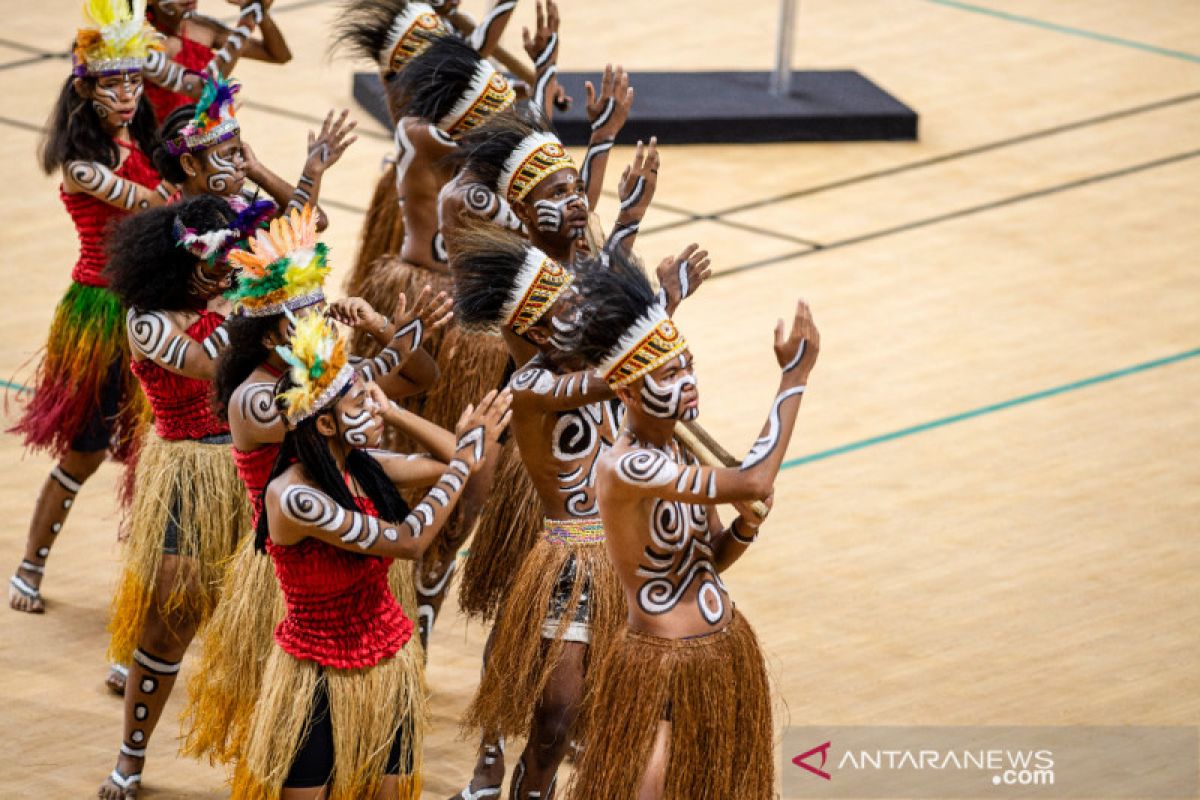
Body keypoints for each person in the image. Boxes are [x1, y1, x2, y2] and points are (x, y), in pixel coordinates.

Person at [180, 205, 453, 766]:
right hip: (296, 568)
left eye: (320, 312)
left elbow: (423, 378)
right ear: (273, 332)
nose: (323, 325)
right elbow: (339, 399)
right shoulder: (258, 400)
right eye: (307, 317)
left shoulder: (324, 376)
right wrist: (378, 358)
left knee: (359, 740)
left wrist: (379, 326)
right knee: (294, 725)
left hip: (355, 536)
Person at [449, 229, 709, 799]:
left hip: (629, 558)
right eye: (567, 309)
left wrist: (664, 306)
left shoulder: (600, 364)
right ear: (536, 329)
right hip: (572, 566)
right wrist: (662, 305)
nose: (582, 314)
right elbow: (619, 374)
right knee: (554, 722)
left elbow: (629, 370)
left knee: (622, 715)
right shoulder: (533, 384)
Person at [229, 311, 512, 799]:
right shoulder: (294, 497)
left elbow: (453, 456)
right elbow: (408, 540)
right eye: (361, 403)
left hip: (387, 660)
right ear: (325, 422)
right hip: (315, 675)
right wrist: (464, 461)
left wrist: (396, 412)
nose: (374, 411)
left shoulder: (363, 466)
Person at [565, 260, 820, 799]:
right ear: (628, 393)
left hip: (719, 653)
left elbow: (706, 560)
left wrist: (744, 532)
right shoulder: (627, 467)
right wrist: (794, 378)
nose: (687, 384)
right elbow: (754, 477)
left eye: (688, 367)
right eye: (669, 374)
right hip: (662, 667)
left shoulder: (678, 450)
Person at [9, 0, 171, 627]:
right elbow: (155, 205)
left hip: (154, 316)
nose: (129, 93)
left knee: (154, 461)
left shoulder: (151, 143)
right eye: (114, 82)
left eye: (135, 80)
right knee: (84, 450)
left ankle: (146, 597)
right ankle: (31, 562)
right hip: (101, 317)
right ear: (86, 87)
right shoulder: (84, 166)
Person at [97, 195, 252, 799]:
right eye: (206, 261)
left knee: (268, 623)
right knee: (169, 623)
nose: (219, 272)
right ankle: (130, 757)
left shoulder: (235, 295)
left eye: (227, 258)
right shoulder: (148, 319)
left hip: (255, 464)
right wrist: (254, 302)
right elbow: (209, 366)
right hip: (192, 473)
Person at [142, 0, 291, 122]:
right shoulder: (140, 43)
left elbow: (278, 54)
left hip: (207, 133)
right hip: (162, 144)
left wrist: (260, 11)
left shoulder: (203, 27)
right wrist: (249, 19)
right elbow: (203, 88)